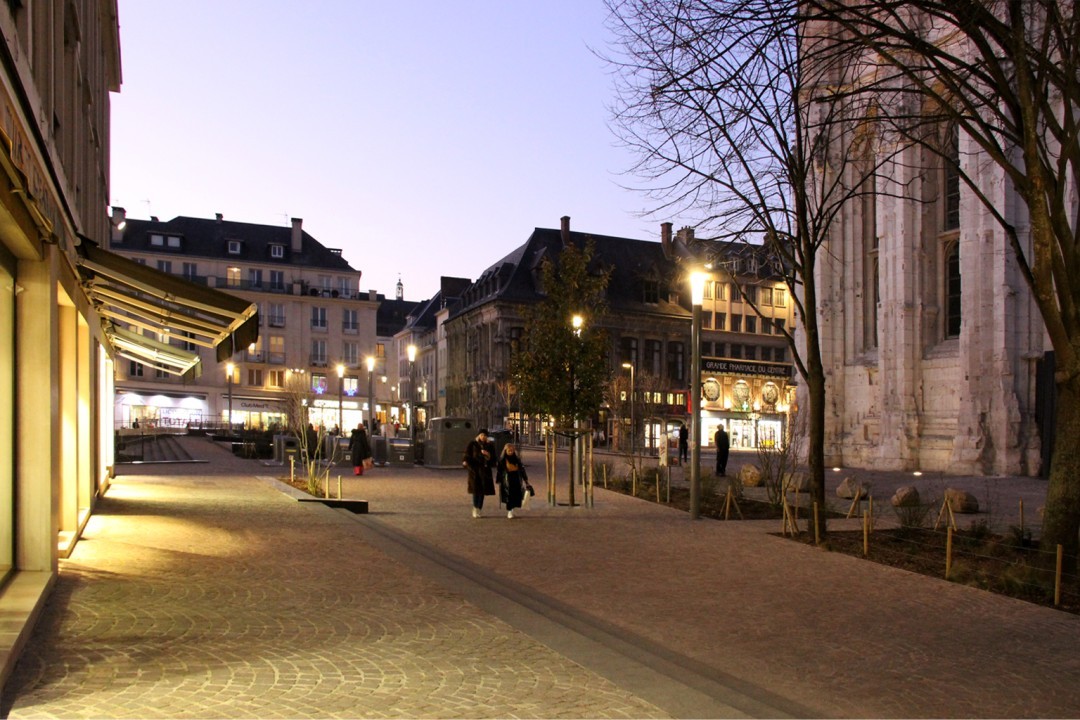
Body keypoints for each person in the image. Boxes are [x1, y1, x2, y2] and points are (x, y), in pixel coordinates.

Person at [463, 435, 495, 518]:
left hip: (484, 471)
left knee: (482, 491)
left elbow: (494, 460)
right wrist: (465, 461)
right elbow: (467, 454)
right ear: (478, 436)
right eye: (481, 435)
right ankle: (475, 508)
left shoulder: (489, 445)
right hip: (474, 471)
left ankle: (479, 509)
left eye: (484, 435)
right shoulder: (473, 444)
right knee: (475, 490)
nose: (483, 437)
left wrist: (488, 455)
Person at [496, 443, 529, 519]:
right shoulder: (502, 460)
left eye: (512, 450)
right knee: (509, 495)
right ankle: (509, 511)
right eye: (509, 450)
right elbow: (499, 471)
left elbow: (522, 470)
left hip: (516, 479)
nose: (511, 452)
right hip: (507, 480)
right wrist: (499, 480)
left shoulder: (517, 459)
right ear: (505, 451)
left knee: (516, 495)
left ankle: (512, 510)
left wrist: (525, 480)